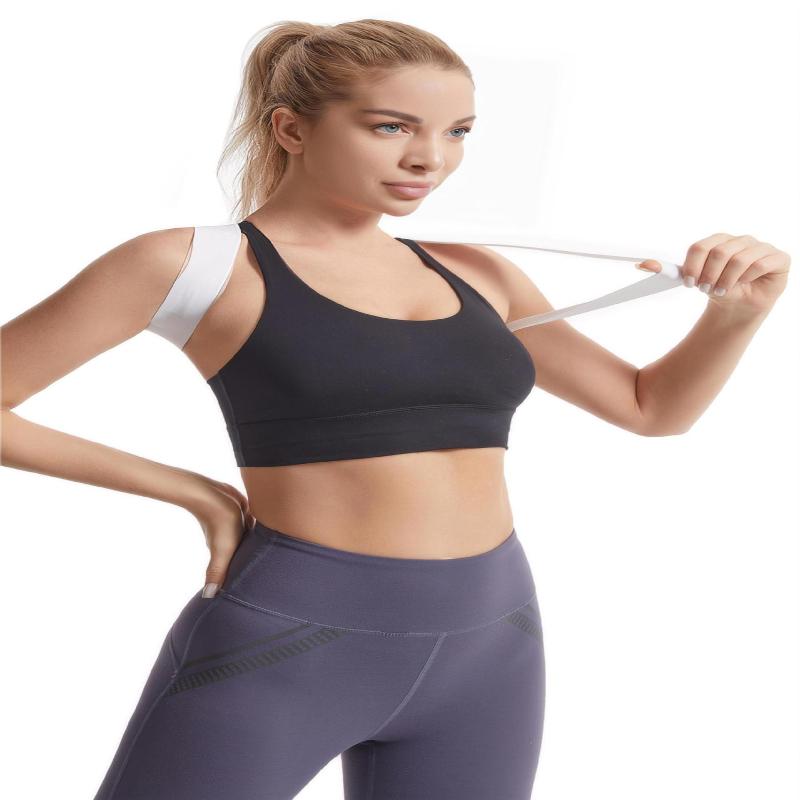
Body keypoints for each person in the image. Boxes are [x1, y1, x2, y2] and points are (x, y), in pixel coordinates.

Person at [0, 18, 789, 800]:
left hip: (493, 643)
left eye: (458, 132)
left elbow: (650, 408)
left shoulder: (479, 273)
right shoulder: (195, 264)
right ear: (291, 129)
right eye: (391, 127)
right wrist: (193, 491)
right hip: (287, 640)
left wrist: (738, 314)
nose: (430, 159)